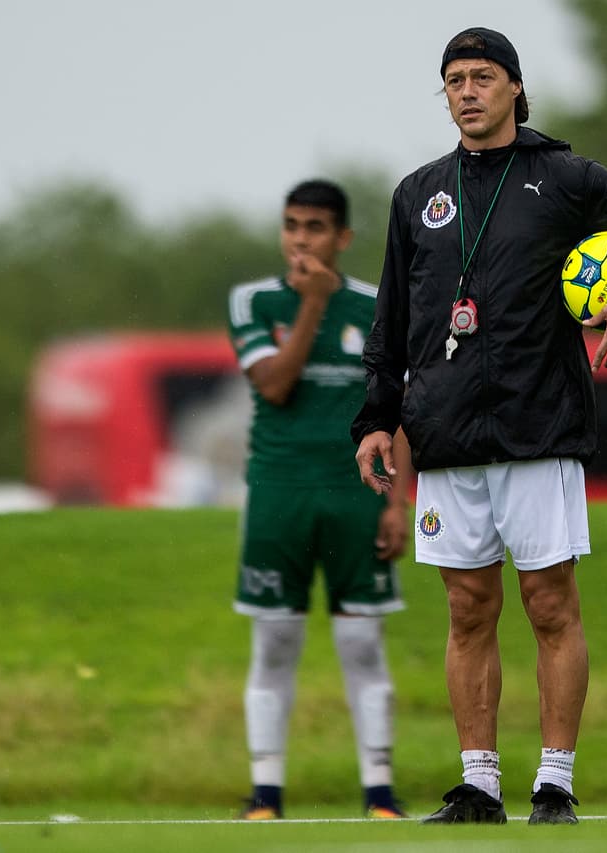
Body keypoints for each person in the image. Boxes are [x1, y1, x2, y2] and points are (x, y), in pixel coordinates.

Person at [351, 28, 607, 825]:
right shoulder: (417, 194)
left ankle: (555, 784)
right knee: (467, 608)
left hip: (539, 427)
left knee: (548, 603)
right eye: (454, 80)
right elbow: (392, 322)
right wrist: (375, 418)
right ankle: (479, 786)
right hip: (445, 435)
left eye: (482, 76)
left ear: (514, 87)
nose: (467, 91)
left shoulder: (569, 177)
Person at [229, 179, 413, 820]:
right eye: (291, 226)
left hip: (357, 494)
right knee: (276, 642)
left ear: (342, 237)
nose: (300, 239)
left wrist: (398, 504)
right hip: (278, 494)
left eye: (314, 227)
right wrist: (311, 305)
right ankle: (265, 796)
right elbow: (274, 385)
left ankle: (380, 795)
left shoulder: (376, 306)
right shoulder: (253, 301)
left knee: (362, 644)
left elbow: (399, 410)